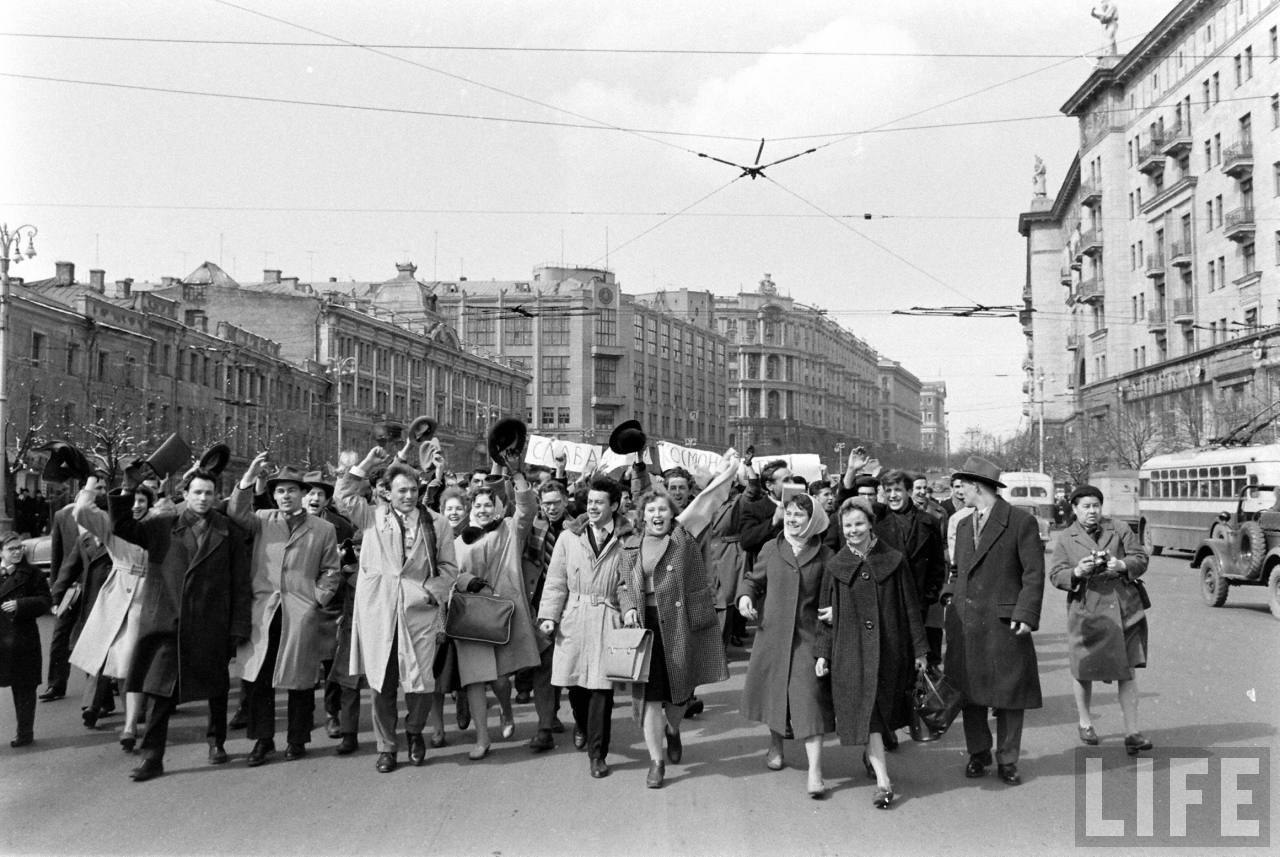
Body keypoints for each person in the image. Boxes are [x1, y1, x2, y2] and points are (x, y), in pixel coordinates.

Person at [110, 469, 252, 780]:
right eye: (197, 492)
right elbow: (121, 525)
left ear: (216, 497)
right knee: (160, 689)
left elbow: (240, 582)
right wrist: (126, 487)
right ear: (184, 494)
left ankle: (217, 742)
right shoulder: (162, 525)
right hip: (167, 621)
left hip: (211, 621)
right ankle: (153, 757)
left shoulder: (227, 531)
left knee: (216, 686)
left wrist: (238, 626)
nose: (203, 498)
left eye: (209, 493)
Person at [336, 449, 458, 772]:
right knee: (382, 682)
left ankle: (415, 731)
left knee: (420, 681)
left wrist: (433, 592)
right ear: (388, 493)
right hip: (380, 610)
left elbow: (448, 567)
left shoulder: (438, 523)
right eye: (401, 490)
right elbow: (343, 495)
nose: (408, 495)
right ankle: (386, 746)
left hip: (419, 610)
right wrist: (364, 465)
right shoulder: (374, 517)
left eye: (413, 490)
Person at [815, 498, 928, 809]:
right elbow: (824, 615)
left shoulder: (894, 560)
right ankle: (884, 782)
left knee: (877, 713)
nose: (853, 531)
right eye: (847, 525)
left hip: (889, 650)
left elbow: (910, 608)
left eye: (859, 524)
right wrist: (823, 654)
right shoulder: (835, 566)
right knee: (871, 717)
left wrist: (920, 649)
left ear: (870, 524)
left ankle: (871, 757)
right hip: (850, 653)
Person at [228, 456, 341, 767]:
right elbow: (236, 512)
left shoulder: (323, 529)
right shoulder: (263, 518)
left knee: (300, 678)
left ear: (303, 494)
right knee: (258, 679)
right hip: (264, 611)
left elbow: (332, 569)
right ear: (274, 495)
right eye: (280, 491)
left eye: (292, 490)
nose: (286, 496)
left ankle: (297, 738)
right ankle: (262, 740)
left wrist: (317, 599)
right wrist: (248, 478)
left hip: (300, 612)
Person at [942, 457, 1045, 787]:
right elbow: (958, 570)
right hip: (965, 621)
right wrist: (948, 593)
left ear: (976, 487)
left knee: (1009, 694)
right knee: (969, 693)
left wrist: (1026, 614)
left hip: (1004, 623)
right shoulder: (962, 524)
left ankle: (1008, 759)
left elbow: (1033, 574)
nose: (959, 493)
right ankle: (979, 753)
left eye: (962, 487)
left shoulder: (1020, 522)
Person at [616, 490, 728, 789]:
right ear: (641, 516)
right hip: (646, 626)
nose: (657, 515)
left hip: (678, 624)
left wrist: (728, 472)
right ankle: (656, 761)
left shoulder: (683, 540)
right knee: (651, 698)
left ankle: (673, 728)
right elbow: (623, 585)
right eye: (651, 510)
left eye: (662, 510)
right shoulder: (629, 547)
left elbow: (703, 507)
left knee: (679, 694)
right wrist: (627, 608)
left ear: (672, 514)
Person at [738, 494, 834, 798]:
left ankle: (815, 772)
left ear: (814, 520)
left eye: (800, 516)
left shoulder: (826, 556)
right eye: (789, 514)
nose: (792, 520)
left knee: (809, 700)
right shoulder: (772, 548)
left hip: (808, 637)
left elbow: (836, 597)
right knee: (775, 693)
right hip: (773, 635)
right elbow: (753, 580)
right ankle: (776, 744)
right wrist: (745, 597)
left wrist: (835, 611)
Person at [537, 476, 632, 778]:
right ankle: (581, 722)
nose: (592, 506)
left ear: (614, 506)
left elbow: (629, 583)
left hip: (607, 616)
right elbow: (555, 581)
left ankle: (597, 754)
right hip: (574, 617)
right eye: (589, 501)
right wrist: (549, 616)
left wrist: (628, 611)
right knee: (575, 686)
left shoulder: (626, 539)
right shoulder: (569, 537)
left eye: (599, 502)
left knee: (601, 690)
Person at [1048, 485, 1151, 754]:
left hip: (1123, 607)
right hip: (1087, 609)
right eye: (1086, 507)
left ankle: (1133, 732)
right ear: (1074, 509)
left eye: (1096, 506)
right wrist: (1077, 571)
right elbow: (1056, 573)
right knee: (1084, 669)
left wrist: (1122, 565)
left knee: (1127, 670)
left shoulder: (1119, 529)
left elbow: (1140, 557)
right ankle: (1085, 722)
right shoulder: (1066, 537)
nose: (1092, 511)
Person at [452, 452, 542, 759]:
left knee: (501, 678)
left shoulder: (508, 530)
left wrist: (517, 477)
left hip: (503, 613)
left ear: (497, 507)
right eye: (477, 505)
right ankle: (481, 737)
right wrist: (466, 582)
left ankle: (505, 710)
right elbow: (449, 573)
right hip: (470, 617)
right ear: (470, 508)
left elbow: (528, 510)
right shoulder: (458, 542)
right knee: (475, 679)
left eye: (488, 505)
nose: (482, 509)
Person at [70, 480, 156, 750]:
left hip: (149, 597)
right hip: (117, 596)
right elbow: (82, 512)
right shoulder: (112, 524)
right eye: (132, 500)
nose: (137, 505)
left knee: (132, 663)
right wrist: (90, 486)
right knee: (120, 665)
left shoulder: (160, 525)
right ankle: (128, 720)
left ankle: (131, 724)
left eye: (142, 500)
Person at [301, 470, 356, 745]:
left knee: (332, 659)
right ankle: (304, 713)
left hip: (332, 602)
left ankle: (332, 713)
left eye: (320, 494)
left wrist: (342, 564)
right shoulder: (289, 523)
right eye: (310, 492)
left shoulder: (340, 526)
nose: (314, 498)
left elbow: (352, 560)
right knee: (304, 662)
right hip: (299, 601)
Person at [517, 480, 571, 747]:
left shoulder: (579, 528)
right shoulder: (534, 528)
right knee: (544, 666)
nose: (551, 508)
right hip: (540, 605)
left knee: (567, 665)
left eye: (556, 502)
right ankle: (544, 727)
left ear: (566, 500)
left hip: (572, 605)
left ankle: (558, 716)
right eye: (546, 503)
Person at [879, 470, 946, 679]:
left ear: (908, 491)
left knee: (915, 669)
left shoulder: (929, 522)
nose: (892, 495)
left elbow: (937, 566)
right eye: (888, 490)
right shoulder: (876, 521)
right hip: (885, 605)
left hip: (917, 607)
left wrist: (928, 597)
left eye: (897, 490)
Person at [1, 532, 53, 747]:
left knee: (24, 687)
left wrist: (21, 605)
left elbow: (45, 601)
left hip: (21, 639)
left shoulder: (32, 574)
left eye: (20, 548)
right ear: (1, 551)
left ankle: (25, 732)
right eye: (12, 549)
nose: (17, 552)